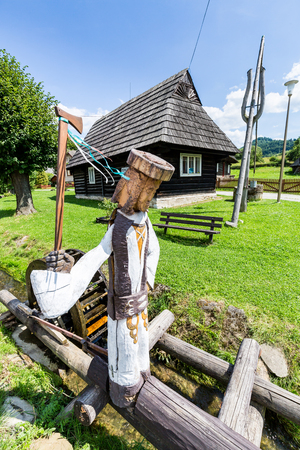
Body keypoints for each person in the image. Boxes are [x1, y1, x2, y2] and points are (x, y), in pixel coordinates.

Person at [30, 149, 174, 407]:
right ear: (131, 188)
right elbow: (98, 253)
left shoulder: (145, 220)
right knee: (124, 348)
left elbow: (154, 249)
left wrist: (148, 282)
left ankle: (144, 375)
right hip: (122, 304)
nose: (149, 198)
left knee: (141, 341)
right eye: (147, 191)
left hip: (140, 299)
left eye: (153, 192)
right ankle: (124, 390)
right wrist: (69, 268)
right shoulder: (118, 225)